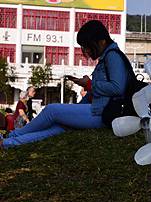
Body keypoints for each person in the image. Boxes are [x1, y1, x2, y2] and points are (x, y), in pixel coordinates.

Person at [0, 20, 129, 149]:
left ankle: (11, 136)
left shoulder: (113, 56)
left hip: (102, 114)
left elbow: (118, 88)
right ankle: (7, 143)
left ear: (101, 41)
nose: (87, 51)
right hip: (99, 111)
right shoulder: (106, 57)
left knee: (52, 110)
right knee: (57, 128)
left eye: (88, 46)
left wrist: (89, 84)